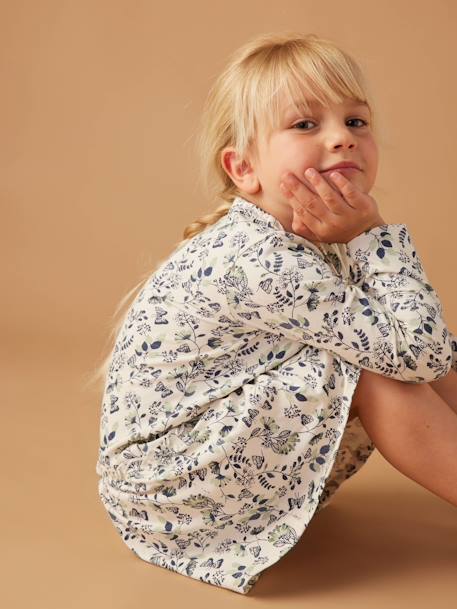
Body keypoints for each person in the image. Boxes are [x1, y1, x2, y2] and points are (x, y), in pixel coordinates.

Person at [90, 32, 457, 595]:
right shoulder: (259, 259)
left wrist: (359, 241)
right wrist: (374, 235)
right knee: (378, 374)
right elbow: (417, 353)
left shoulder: (317, 237)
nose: (342, 139)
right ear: (243, 168)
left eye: (356, 122)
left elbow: (427, 351)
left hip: (211, 467)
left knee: (396, 351)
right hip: (171, 497)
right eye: (306, 125)